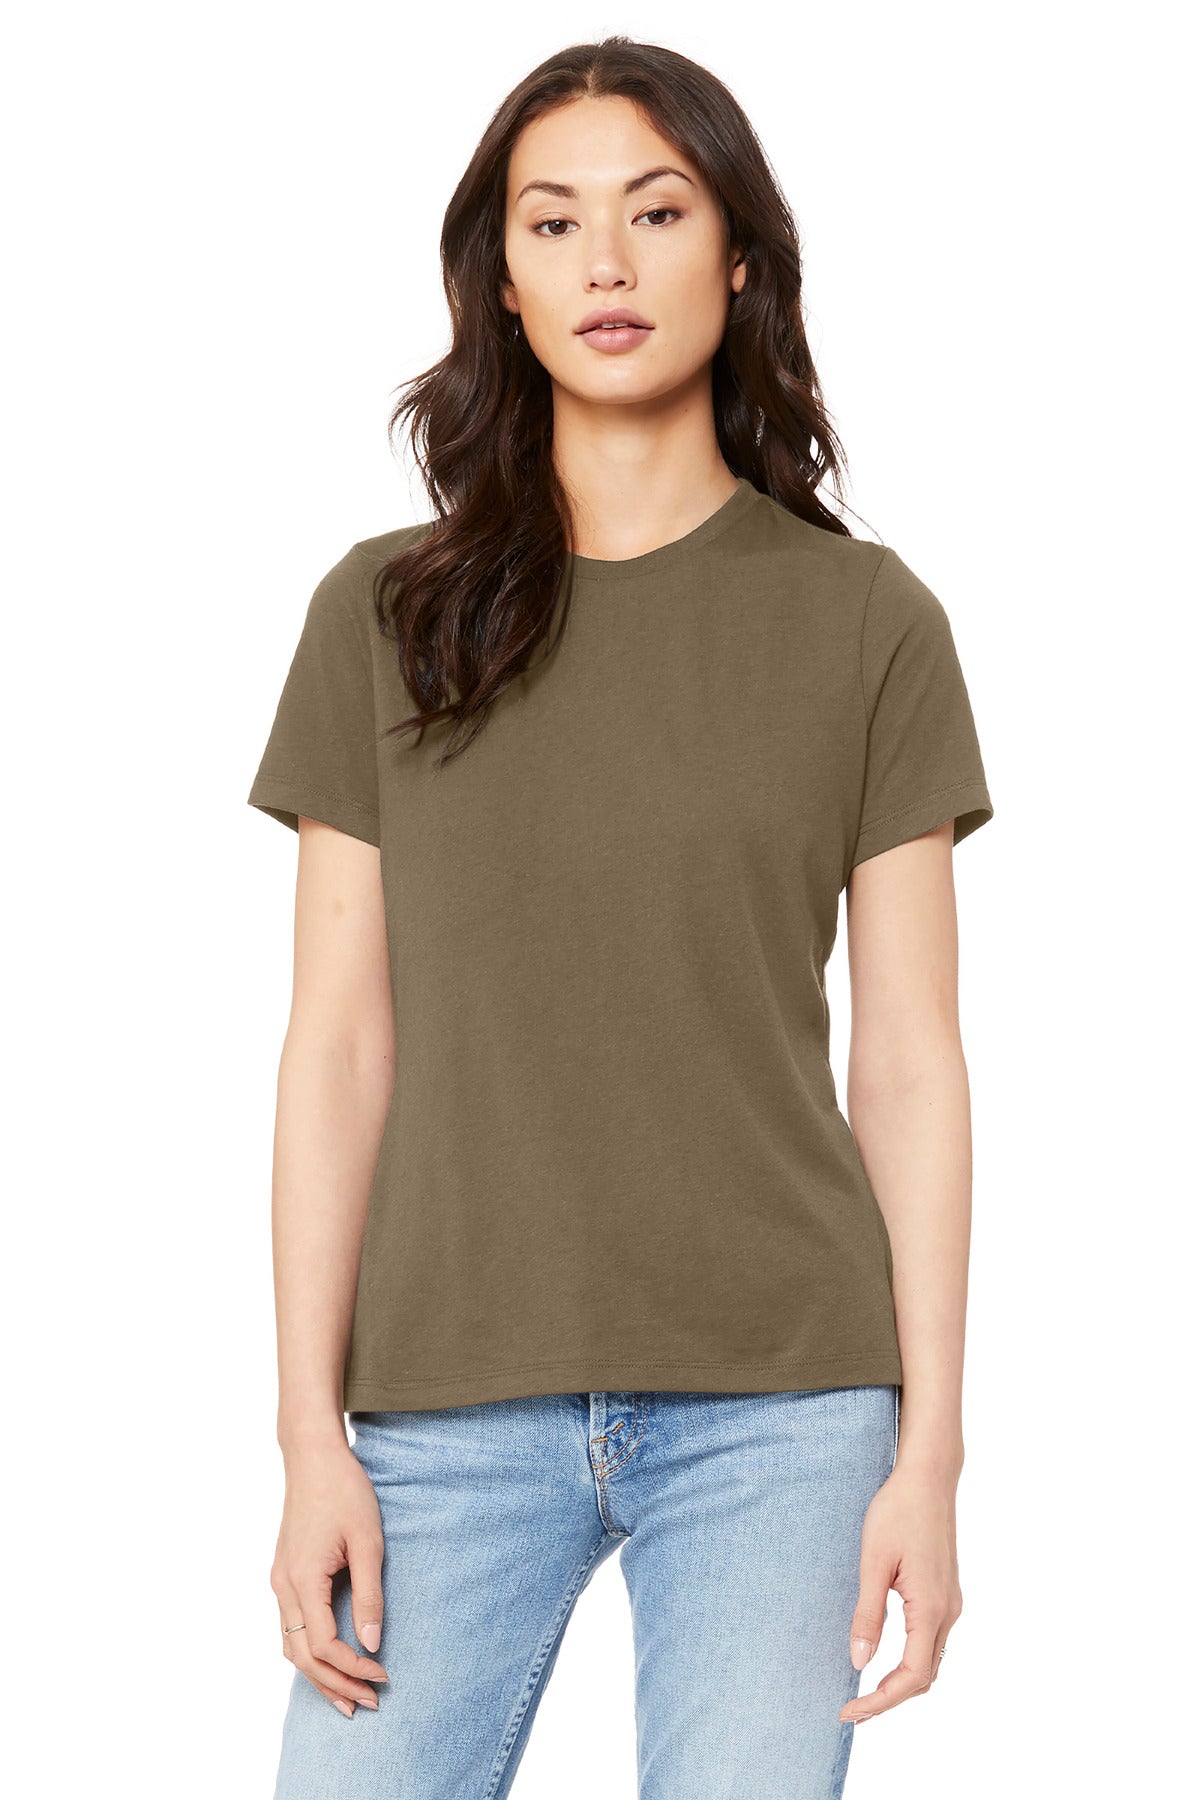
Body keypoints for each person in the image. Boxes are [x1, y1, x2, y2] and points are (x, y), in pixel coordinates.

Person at [247, 36, 994, 1800]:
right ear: (501, 281)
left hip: (783, 1408)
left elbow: (909, 1065)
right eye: (553, 221)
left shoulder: (868, 624)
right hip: (443, 1408)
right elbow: (338, 1049)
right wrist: (305, 1438)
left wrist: (933, 1457)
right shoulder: (383, 616)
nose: (605, 261)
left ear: (736, 259)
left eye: (656, 212)